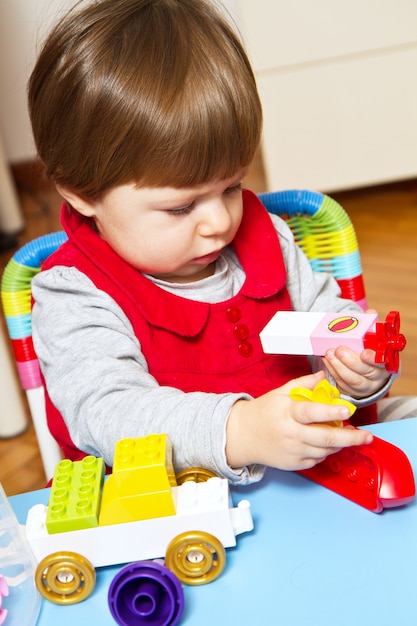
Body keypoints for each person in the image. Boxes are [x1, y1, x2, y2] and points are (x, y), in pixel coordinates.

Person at [29, 0, 394, 485]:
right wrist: (239, 430)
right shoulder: (74, 293)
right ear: (82, 194)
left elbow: (329, 332)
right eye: (181, 208)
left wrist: (359, 373)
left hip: (311, 474)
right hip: (172, 504)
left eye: (232, 187)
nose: (220, 221)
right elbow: (108, 413)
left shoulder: (269, 239)